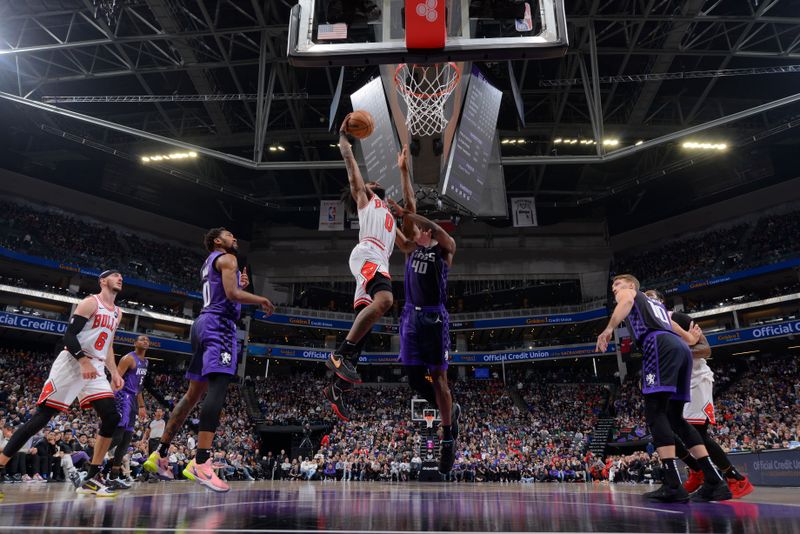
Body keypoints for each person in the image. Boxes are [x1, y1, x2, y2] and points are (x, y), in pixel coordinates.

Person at [144, 227, 274, 492]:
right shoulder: (228, 258)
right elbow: (232, 295)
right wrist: (259, 298)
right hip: (220, 326)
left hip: (202, 324)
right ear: (218, 240)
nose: (235, 237)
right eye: (230, 235)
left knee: (192, 395)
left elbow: (226, 290)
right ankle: (201, 461)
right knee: (219, 386)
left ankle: (161, 453)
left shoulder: (210, 262)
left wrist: (239, 285)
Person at [596, 274, 732, 503]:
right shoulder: (656, 305)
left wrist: (609, 329)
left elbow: (626, 302)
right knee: (676, 418)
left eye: (617, 284)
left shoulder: (630, 294)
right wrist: (690, 337)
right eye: (613, 286)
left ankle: (672, 484)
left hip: (657, 345)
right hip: (679, 348)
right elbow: (683, 335)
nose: (614, 289)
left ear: (632, 285)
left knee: (655, 413)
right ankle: (714, 481)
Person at [0, 270, 126, 497]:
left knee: (112, 417)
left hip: (95, 367)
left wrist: (114, 372)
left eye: (121, 277)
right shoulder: (90, 303)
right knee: (42, 417)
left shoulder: (118, 312)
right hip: (72, 362)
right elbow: (68, 336)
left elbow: (108, 345)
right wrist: (83, 361)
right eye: (114, 275)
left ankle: (91, 477)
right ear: (102, 281)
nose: (120, 278)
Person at [322, 116, 414, 420]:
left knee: (365, 329)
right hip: (367, 254)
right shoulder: (366, 200)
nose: (373, 183)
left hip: (377, 260)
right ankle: (339, 354)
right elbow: (352, 174)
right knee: (386, 301)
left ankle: (338, 389)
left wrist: (404, 173)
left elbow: (407, 246)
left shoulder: (388, 215)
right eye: (371, 183)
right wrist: (345, 141)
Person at [388, 147, 461, 475]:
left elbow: (417, 217)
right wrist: (404, 172)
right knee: (416, 380)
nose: (414, 232)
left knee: (440, 377)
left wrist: (410, 214)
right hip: (410, 318)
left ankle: (448, 437)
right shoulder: (408, 249)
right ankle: (451, 412)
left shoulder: (443, 250)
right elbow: (409, 215)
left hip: (434, 316)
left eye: (420, 229)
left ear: (428, 232)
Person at [644, 290, 754, 499]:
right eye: (644, 298)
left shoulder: (676, 318)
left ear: (661, 302)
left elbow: (705, 349)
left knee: (697, 433)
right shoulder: (651, 327)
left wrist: (677, 351)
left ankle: (735, 479)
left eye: (651, 297)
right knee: (662, 429)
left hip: (695, 379)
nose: (647, 301)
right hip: (673, 382)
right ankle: (698, 471)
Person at [104, 334, 151, 489]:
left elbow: (139, 388)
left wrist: (142, 406)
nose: (145, 341)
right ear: (135, 343)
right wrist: (109, 399)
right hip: (122, 397)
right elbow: (115, 378)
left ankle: (114, 477)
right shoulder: (128, 359)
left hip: (133, 402)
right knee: (118, 437)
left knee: (126, 440)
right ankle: (92, 464)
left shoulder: (145, 362)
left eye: (147, 340)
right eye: (142, 339)